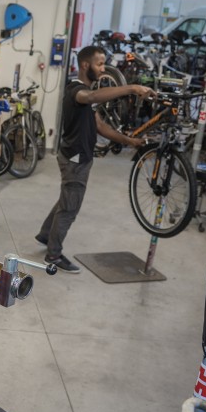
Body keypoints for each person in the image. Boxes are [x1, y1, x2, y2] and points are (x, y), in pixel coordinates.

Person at [35, 45, 155, 274]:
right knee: (70, 207)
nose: (103, 69)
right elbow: (89, 96)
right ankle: (53, 255)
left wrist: (129, 141)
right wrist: (130, 88)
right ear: (85, 65)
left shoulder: (88, 95)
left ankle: (44, 235)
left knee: (67, 198)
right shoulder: (77, 91)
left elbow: (99, 125)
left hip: (78, 156)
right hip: (75, 158)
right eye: (100, 64)